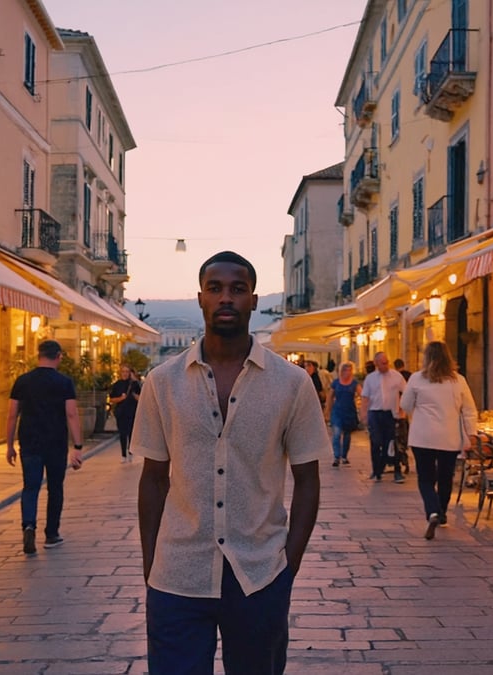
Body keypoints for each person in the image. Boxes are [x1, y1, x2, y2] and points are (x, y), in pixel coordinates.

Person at [135, 251, 330, 675]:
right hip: (177, 576)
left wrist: (287, 568)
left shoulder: (292, 384)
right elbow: (152, 479)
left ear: (254, 300)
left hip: (259, 574)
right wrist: (153, 565)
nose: (226, 297)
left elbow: (308, 479)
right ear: (200, 298)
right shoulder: (162, 382)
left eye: (238, 289)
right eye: (216, 288)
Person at [6, 340, 85, 556]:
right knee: (55, 488)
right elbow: (71, 413)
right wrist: (77, 446)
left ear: (38, 355)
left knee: (30, 487)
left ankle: (29, 525)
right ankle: (51, 534)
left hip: (29, 441)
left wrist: (9, 444)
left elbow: (13, 414)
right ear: (58, 356)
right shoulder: (64, 382)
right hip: (56, 442)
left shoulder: (22, 381)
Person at [400, 341, 479, 540]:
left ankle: (432, 511)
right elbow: (469, 410)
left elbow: (406, 405)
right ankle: (442, 513)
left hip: (422, 436)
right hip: (449, 437)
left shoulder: (417, 379)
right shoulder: (458, 381)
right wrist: (472, 434)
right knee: (445, 477)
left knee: (425, 478)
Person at [359, 352, 407, 483]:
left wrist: (402, 409)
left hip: (391, 414)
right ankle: (376, 470)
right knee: (376, 442)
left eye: (387, 362)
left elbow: (406, 393)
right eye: (382, 363)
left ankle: (394, 470)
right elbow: (365, 397)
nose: (386, 365)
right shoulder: (370, 378)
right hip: (375, 413)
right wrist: (363, 414)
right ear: (376, 364)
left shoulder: (397, 376)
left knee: (391, 443)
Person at [325, 362, 360, 468]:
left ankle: (344, 456)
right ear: (341, 371)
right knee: (336, 434)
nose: (347, 372)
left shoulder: (354, 383)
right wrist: (327, 411)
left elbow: (363, 394)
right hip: (337, 411)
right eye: (345, 370)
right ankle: (336, 457)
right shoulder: (336, 383)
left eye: (349, 370)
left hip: (349, 411)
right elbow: (330, 397)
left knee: (347, 435)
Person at [108, 364, 141, 463]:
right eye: (123, 371)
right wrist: (121, 398)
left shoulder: (134, 384)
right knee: (122, 433)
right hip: (121, 412)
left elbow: (140, 397)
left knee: (131, 432)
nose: (125, 374)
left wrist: (134, 394)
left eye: (127, 372)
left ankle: (130, 452)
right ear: (120, 373)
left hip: (132, 412)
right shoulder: (117, 384)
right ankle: (123, 454)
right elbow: (112, 399)